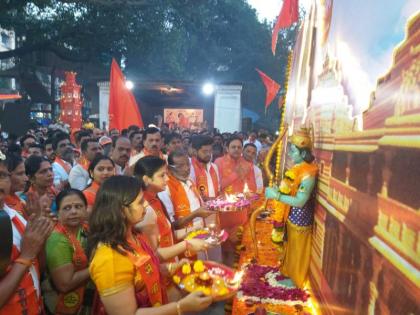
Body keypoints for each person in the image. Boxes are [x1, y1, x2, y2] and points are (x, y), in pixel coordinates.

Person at [88, 175, 213, 315]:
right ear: (121, 210)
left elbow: (143, 270)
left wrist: (172, 267)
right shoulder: (109, 259)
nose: (146, 206)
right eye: (140, 202)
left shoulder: (133, 235)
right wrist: (180, 307)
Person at [0, 151, 54, 315]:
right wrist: (26, 256)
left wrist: (41, 232)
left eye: (2, 175)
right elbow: (29, 257)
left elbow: (40, 267)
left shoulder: (15, 215)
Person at [265, 128, 318, 288]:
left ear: (303, 153)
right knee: (290, 246)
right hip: (290, 216)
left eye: (293, 151)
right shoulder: (297, 169)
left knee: (298, 249)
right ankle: (287, 271)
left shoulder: (309, 173)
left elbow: (301, 201)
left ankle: (297, 280)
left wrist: (277, 196)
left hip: (301, 219)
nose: (290, 154)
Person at [44, 189, 93, 315]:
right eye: (67, 208)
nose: (74, 211)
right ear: (58, 213)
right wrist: (97, 265)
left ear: (86, 209)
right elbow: (65, 284)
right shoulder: (57, 239)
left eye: (78, 206)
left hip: (86, 299)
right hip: (64, 304)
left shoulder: (86, 228)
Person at [160, 150, 212, 231]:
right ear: (170, 168)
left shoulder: (190, 181)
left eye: (188, 164)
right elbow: (170, 225)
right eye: (180, 166)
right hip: (183, 240)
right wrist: (195, 214)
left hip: (200, 233)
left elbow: (200, 207)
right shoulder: (166, 188)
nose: (186, 169)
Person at [190, 135, 220, 200]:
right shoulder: (190, 168)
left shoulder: (214, 167)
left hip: (215, 208)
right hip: (199, 209)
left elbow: (218, 189)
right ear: (194, 151)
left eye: (210, 151)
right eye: (205, 151)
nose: (208, 154)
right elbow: (191, 195)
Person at [4, 154, 28, 218]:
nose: (26, 179)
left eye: (24, 173)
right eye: (20, 174)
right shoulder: (4, 206)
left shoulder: (20, 200)